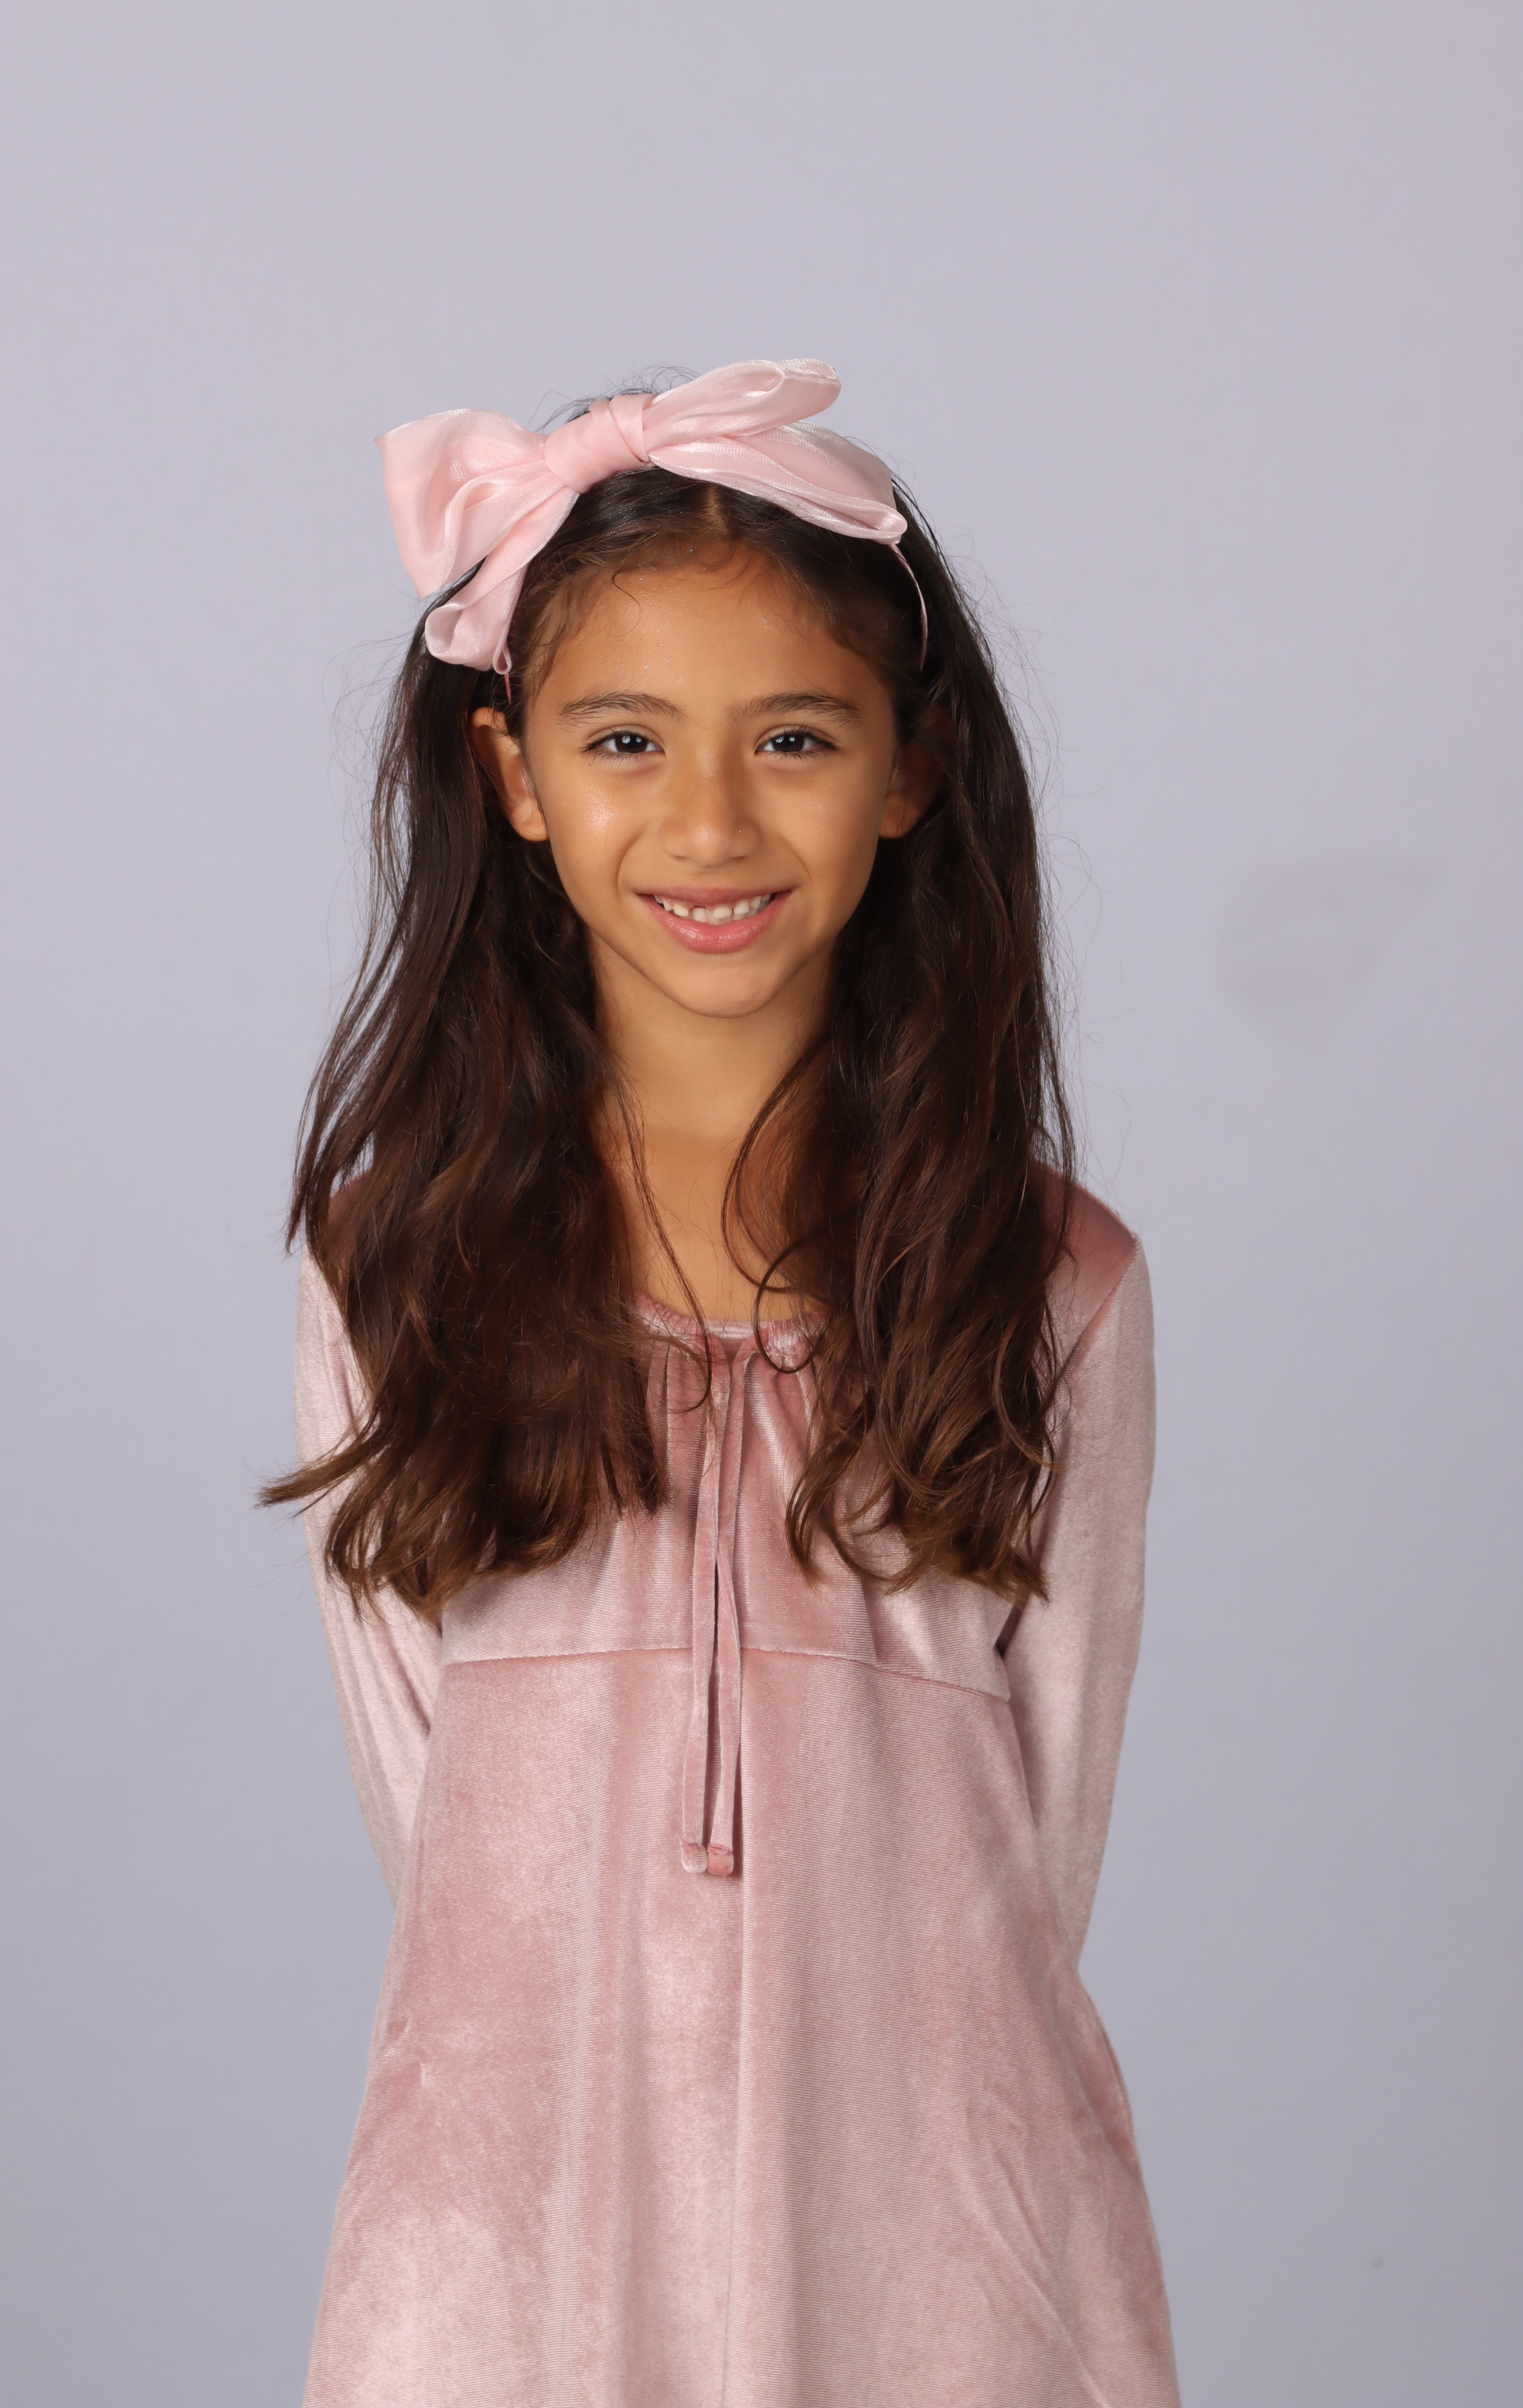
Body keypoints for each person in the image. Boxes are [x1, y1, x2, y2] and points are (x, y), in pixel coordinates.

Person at [265, 358, 1179, 2406]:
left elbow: (1039, 1845)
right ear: (512, 776)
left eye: (791, 737)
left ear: (908, 770)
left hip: (937, 2230)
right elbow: (432, 1816)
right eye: (623, 739)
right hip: (515, 2222)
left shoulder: (1050, 1282)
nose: (706, 820)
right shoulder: (392, 1266)